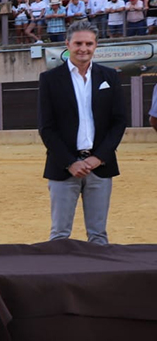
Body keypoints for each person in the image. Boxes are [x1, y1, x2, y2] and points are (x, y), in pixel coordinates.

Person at [37, 19, 126, 245]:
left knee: (98, 236)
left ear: (96, 45)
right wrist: (70, 162)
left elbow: (119, 122)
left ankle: (99, 280)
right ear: (67, 44)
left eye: (88, 43)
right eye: (78, 43)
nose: (83, 48)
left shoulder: (109, 77)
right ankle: (57, 279)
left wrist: (99, 157)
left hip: (100, 166)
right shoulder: (50, 79)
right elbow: (47, 127)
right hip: (63, 166)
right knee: (59, 235)